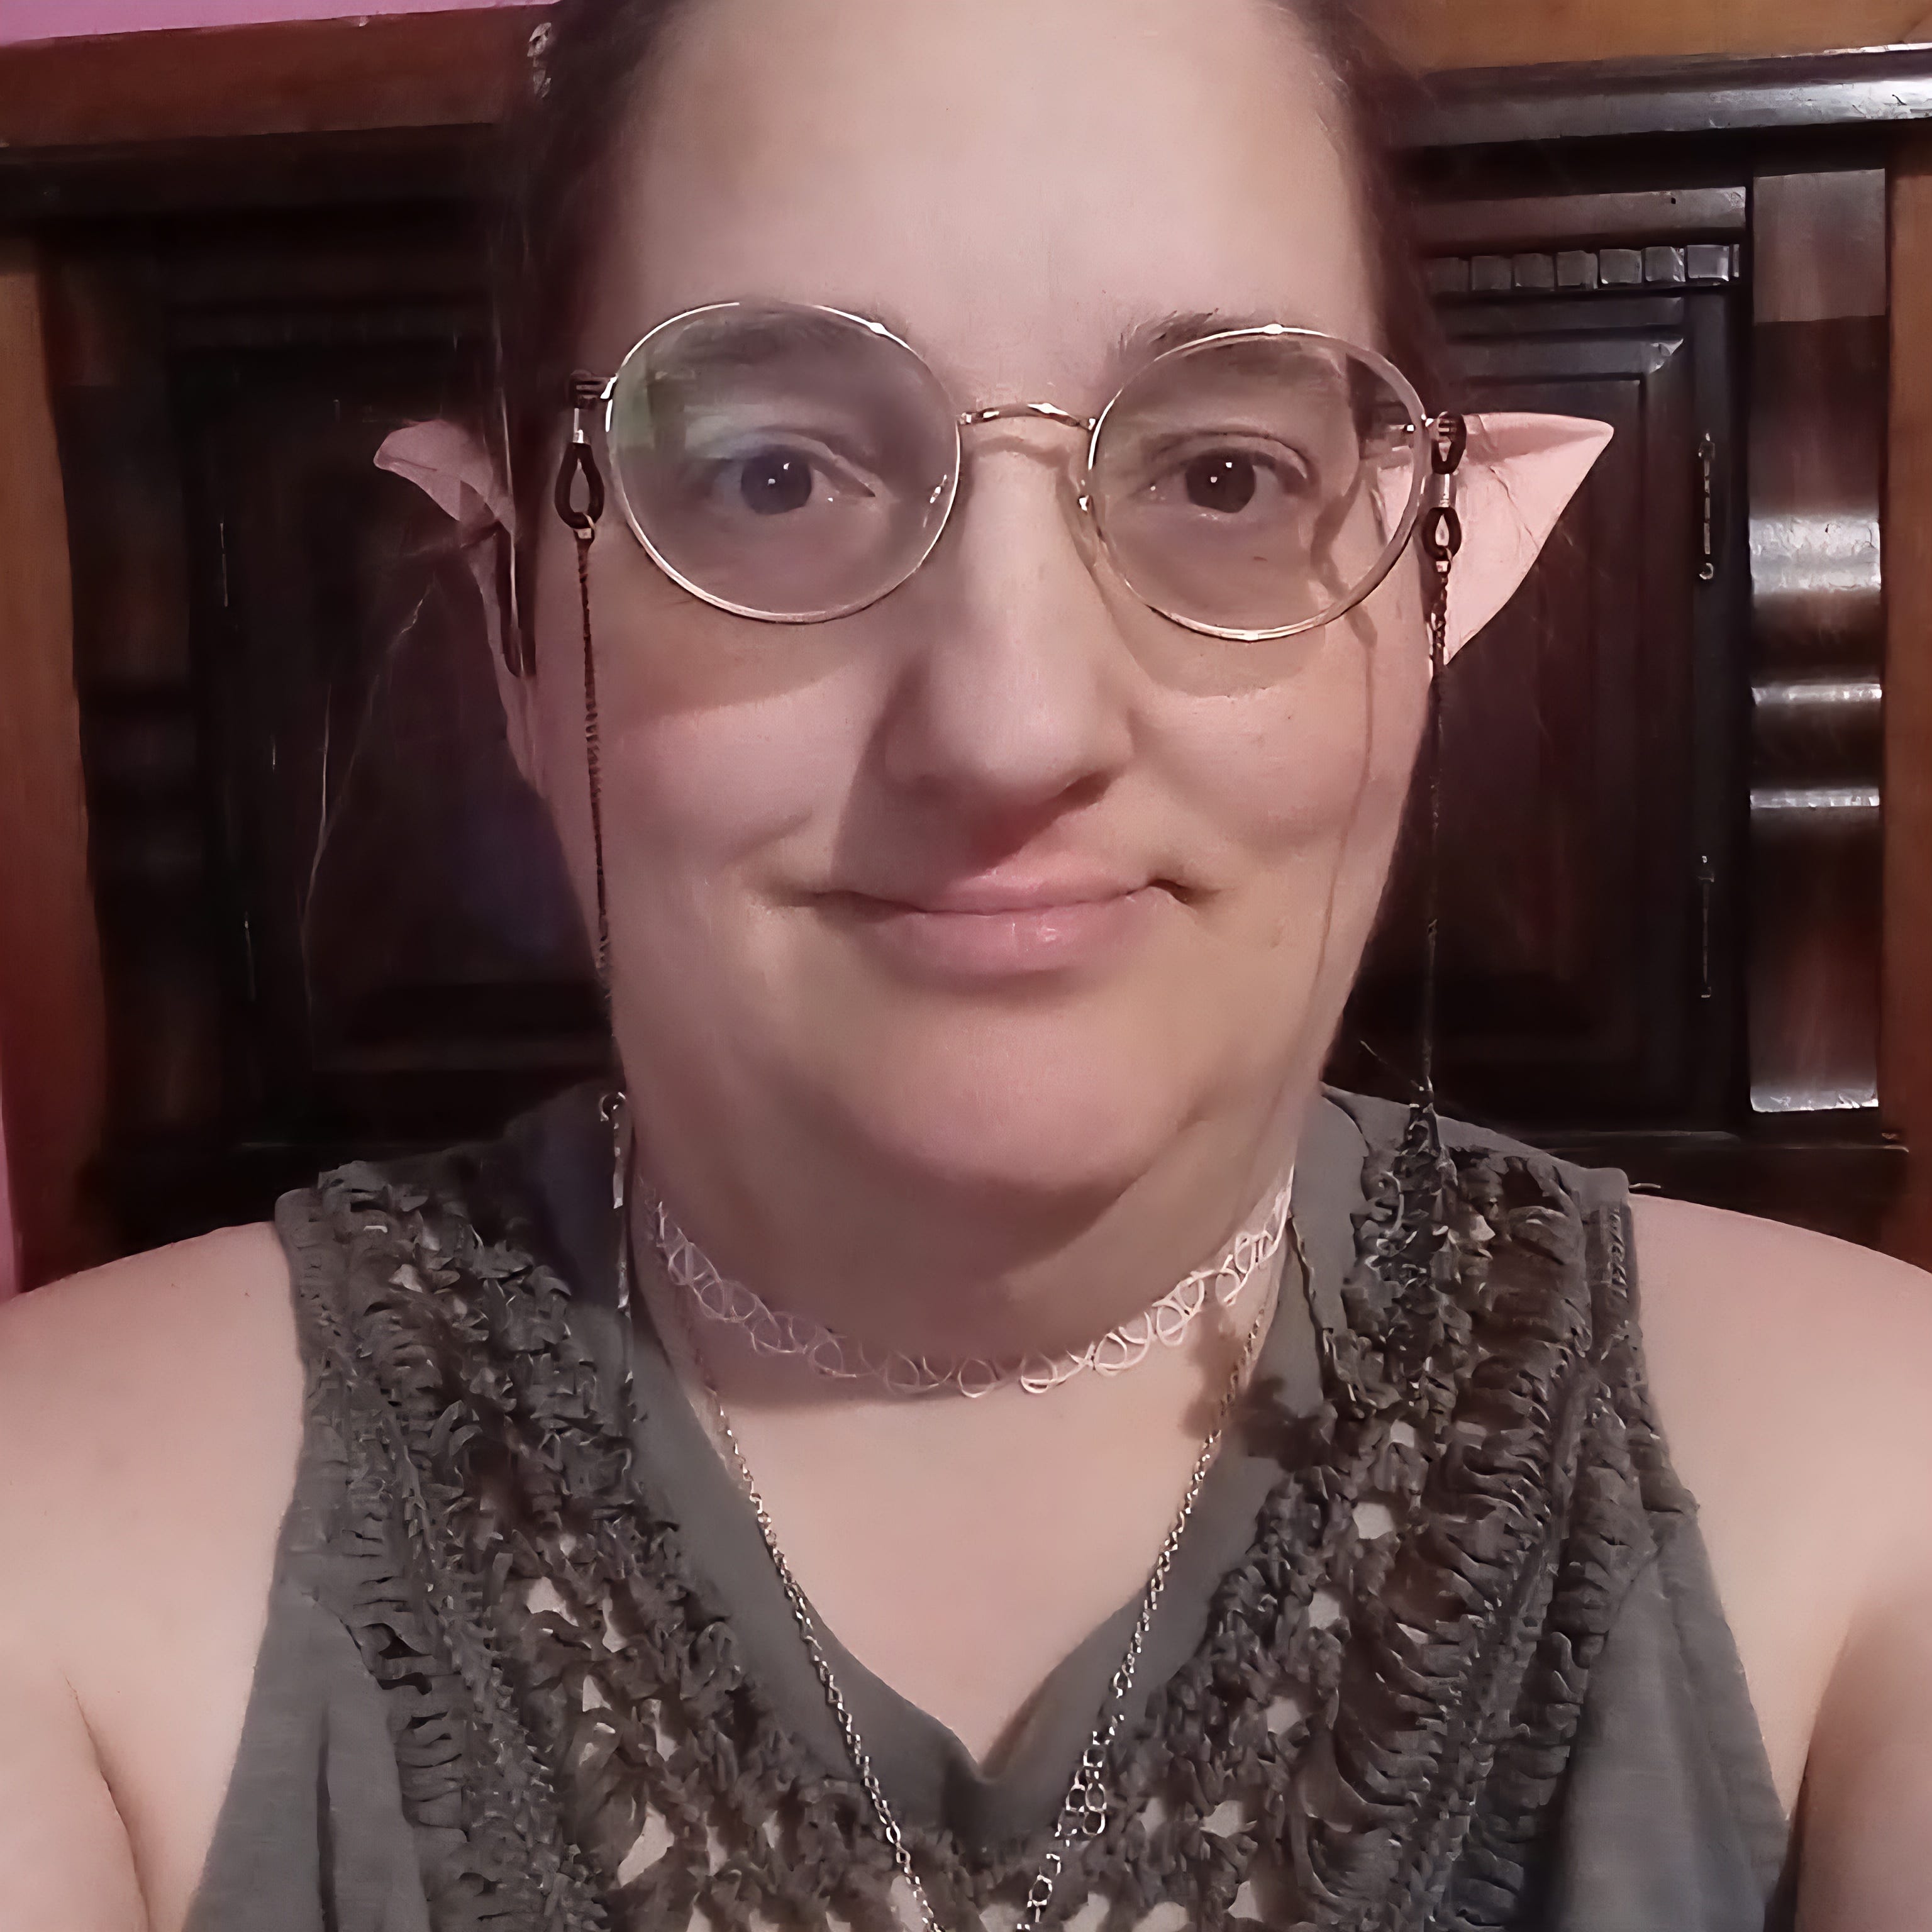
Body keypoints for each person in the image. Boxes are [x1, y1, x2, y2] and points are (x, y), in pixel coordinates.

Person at [2, 0, 1929, 1926]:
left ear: (1422, 591)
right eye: (771, 475)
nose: (1014, 726)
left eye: (1223, 476)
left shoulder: (1875, 1498)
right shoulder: (62, 1562)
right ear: (517, 621)